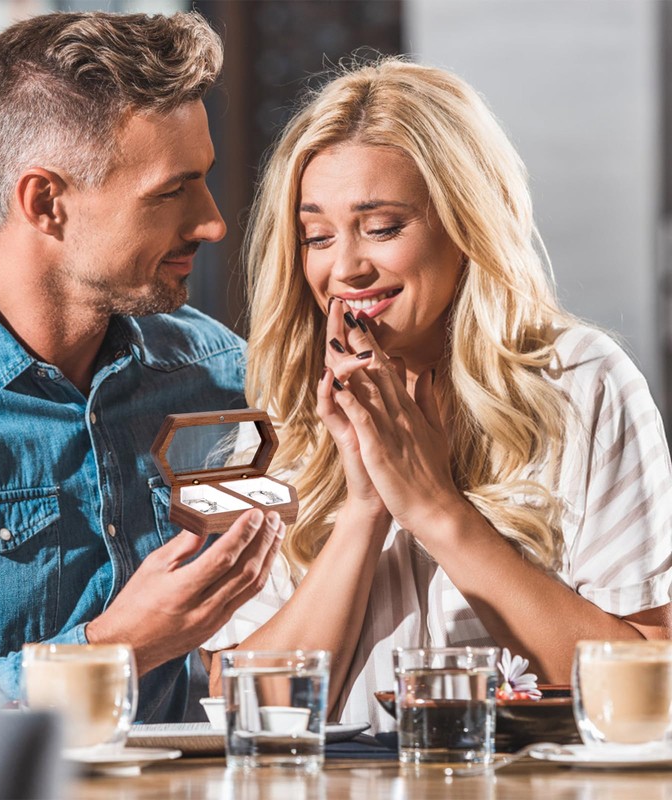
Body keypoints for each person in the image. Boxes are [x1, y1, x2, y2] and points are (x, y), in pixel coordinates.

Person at [203, 57, 672, 731]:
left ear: (466, 221)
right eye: (317, 236)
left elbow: (646, 690)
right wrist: (364, 508)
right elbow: (249, 719)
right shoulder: (284, 417)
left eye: (383, 226)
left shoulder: (584, 383)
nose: (345, 267)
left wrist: (433, 507)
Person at [0, 11, 285, 723]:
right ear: (46, 202)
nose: (213, 222)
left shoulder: (222, 373)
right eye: (171, 192)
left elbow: (264, 655)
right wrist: (112, 649)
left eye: (205, 181)